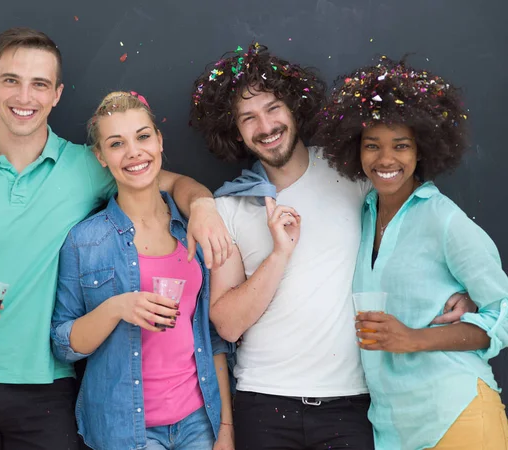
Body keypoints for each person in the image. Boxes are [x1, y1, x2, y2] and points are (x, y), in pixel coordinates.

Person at [0, 27, 232, 450]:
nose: (25, 97)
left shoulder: (88, 166)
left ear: (56, 94)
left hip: (48, 386)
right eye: (11, 81)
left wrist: (204, 206)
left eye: (39, 84)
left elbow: (170, 181)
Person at [189, 44, 477, 450]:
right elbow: (228, 324)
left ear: (294, 108)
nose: (265, 125)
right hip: (263, 399)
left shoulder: (353, 173)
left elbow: (424, 224)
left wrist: (461, 289)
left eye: (273, 109)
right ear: (235, 131)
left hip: (352, 402)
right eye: (248, 118)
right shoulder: (230, 207)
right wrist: (279, 254)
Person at [312, 56, 508, 449]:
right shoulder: (364, 215)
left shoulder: (444, 220)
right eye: (373, 146)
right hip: (392, 429)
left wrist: (415, 338)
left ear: (422, 151)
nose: (386, 159)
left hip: (456, 415)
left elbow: (502, 314)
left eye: (401, 146)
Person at [50, 91, 235, 450]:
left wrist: (225, 427)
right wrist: (117, 308)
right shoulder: (84, 240)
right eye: (117, 143)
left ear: (159, 142)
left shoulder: (192, 229)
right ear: (100, 157)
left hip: (199, 421)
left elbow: (212, 339)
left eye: (143, 136)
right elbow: (63, 344)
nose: (134, 152)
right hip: (124, 429)